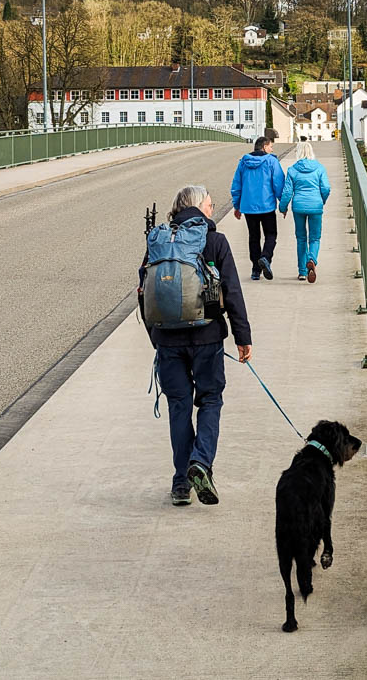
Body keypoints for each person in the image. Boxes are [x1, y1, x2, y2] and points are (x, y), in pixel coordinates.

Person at [151, 184, 252, 507]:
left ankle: (182, 483)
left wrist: (157, 338)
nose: (212, 209)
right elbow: (232, 292)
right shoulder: (215, 241)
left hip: (168, 339)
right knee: (210, 400)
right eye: (210, 205)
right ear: (199, 207)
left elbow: (145, 291)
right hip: (207, 337)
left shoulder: (159, 240)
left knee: (179, 407)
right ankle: (201, 462)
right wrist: (242, 337)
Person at [231, 135, 285, 281]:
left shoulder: (243, 162)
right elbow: (278, 183)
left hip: (248, 207)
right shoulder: (271, 161)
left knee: (253, 238)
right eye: (271, 146)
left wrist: (237, 206)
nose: (272, 149)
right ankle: (265, 258)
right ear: (265, 147)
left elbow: (237, 185)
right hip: (267, 206)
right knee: (271, 235)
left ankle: (255, 270)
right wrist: (283, 203)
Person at [278, 142, 332, 282]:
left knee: (301, 238)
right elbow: (326, 188)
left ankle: (302, 272)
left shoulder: (292, 170)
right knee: (314, 238)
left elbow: (287, 192)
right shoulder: (319, 168)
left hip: (298, 207)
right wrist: (322, 200)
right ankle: (312, 259)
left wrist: (283, 208)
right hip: (316, 206)